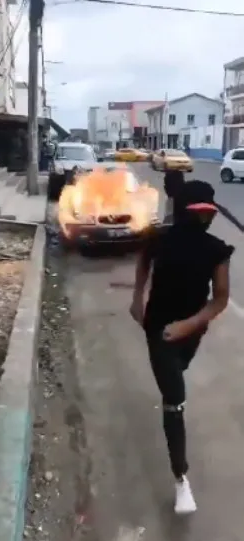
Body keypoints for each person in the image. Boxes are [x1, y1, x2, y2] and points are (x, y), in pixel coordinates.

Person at [129, 180, 233, 515]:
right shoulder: (158, 238)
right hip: (158, 327)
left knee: (177, 372)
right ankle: (180, 478)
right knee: (174, 398)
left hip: (191, 331)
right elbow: (144, 263)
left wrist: (188, 326)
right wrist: (136, 298)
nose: (206, 219)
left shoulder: (216, 250)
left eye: (209, 213)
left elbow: (219, 300)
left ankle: (172, 379)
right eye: (202, 212)